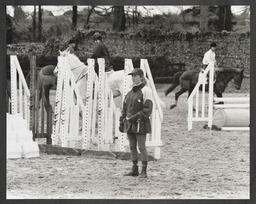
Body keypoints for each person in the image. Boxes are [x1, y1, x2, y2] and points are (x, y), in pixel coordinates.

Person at [119, 68, 153, 178]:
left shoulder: (146, 90)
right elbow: (124, 108)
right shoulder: (129, 92)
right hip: (130, 123)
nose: (133, 78)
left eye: (135, 76)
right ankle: (134, 169)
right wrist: (122, 120)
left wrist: (134, 118)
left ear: (141, 77)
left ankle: (144, 171)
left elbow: (147, 110)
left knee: (141, 147)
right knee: (132, 147)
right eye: (132, 76)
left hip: (140, 122)